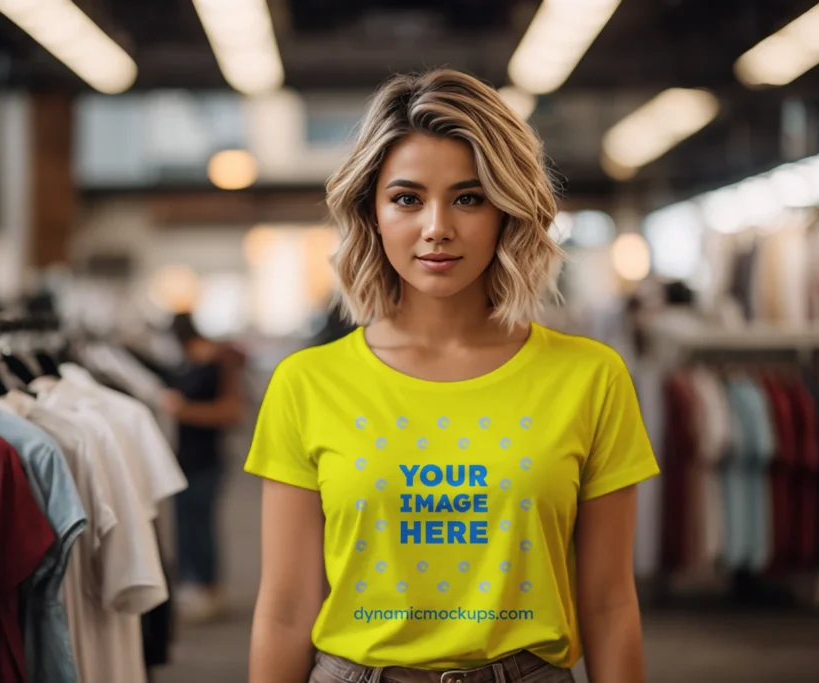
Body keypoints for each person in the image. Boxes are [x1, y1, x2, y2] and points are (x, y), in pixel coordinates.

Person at [244, 70, 660, 683]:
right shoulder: (306, 383)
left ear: (507, 211)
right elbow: (284, 611)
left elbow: (609, 603)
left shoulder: (590, 378)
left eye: (469, 197)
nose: (437, 226)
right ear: (373, 213)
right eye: (407, 198)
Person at [160, 312, 244, 624]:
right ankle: (192, 585)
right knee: (184, 523)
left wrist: (184, 411)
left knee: (202, 523)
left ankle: (209, 588)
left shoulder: (218, 363)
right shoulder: (184, 364)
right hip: (181, 457)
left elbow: (231, 411)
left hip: (207, 457)